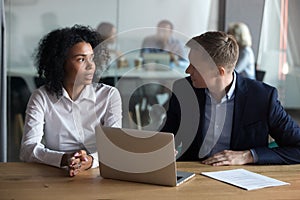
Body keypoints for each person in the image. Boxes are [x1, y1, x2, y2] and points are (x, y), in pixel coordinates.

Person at [161, 31, 300, 165]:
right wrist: (163, 149)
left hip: (243, 181)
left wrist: (249, 156)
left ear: (219, 71)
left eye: (195, 67)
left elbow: (297, 146)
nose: (187, 70)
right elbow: (166, 136)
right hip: (193, 175)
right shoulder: (183, 89)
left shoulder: (262, 98)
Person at [20, 25, 122, 176]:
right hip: (55, 174)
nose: (90, 66)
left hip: (99, 173)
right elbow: (28, 149)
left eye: (92, 58)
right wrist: (63, 159)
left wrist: (90, 160)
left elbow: (114, 147)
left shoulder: (109, 95)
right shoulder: (41, 97)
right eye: (81, 59)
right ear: (61, 63)